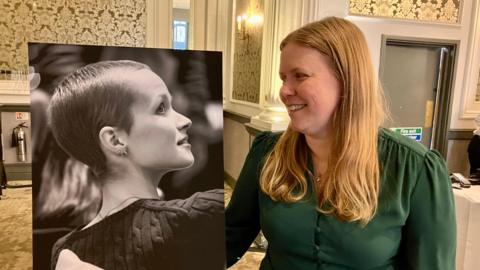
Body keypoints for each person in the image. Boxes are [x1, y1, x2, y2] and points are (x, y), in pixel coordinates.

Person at [226, 17, 456, 270]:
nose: (284, 91)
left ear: (347, 81)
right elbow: (228, 238)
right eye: (283, 78)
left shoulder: (415, 169)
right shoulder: (268, 152)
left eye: (299, 76)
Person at [48, 60, 224, 270]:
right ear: (115, 140)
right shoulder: (202, 215)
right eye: (161, 108)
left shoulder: (65, 253)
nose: (185, 120)